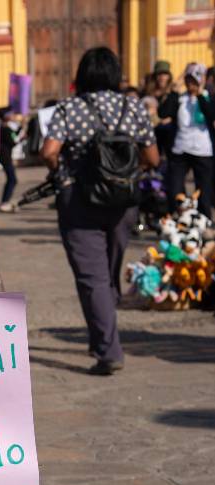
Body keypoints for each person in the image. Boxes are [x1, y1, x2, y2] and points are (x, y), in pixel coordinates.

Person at [42, 46, 158, 376]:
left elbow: (49, 151)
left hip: (80, 202)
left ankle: (109, 350)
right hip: (123, 204)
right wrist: (129, 174)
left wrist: (63, 176)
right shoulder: (132, 106)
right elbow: (153, 158)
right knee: (106, 274)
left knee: (92, 278)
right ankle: (102, 336)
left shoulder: (69, 108)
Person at [168, 62, 215, 218]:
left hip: (203, 150)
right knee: (175, 189)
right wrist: (174, 92)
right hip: (181, 148)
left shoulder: (208, 98)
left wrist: (200, 94)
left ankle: (204, 222)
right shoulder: (181, 99)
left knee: (204, 191)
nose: (191, 85)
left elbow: (211, 115)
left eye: (194, 81)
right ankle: (181, 219)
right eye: (189, 81)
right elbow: (164, 112)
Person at [0, 106, 22, 213]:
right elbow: (12, 141)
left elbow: (14, 134)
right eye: (10, 114)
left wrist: (21, 128)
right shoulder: (4, 128)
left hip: (6, 156)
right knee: (12, 179)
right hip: (5, 157)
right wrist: (20, 138)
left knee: (11, 179)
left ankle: (4, 201)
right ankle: (4, 202)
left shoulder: (6, 128)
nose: (13, 115)